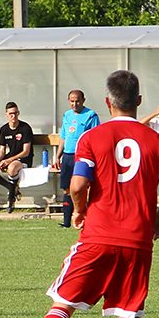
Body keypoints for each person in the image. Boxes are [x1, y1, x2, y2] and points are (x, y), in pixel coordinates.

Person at [8, 70, 159, 318]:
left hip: (98, 235)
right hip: (137, 241)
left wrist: (81, 209)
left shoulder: (93, 138)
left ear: (107, 102)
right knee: (129, 315)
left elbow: (78, 185)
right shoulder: (157, 142)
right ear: (139, 102)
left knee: (62, 305)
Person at [0, 102, 34, 213]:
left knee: (12, 168)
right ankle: (11, 187)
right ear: (6, 115)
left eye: (15, 113)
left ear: (18, 113)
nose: (13, 116)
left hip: (23, 159)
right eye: (11, 114)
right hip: (9, 158)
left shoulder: (25, 128)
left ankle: (10, 200)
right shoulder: (4, 129)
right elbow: (2, 150)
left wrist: (8, 160)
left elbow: (26, 152)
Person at [56, 90, 100, 227]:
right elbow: (63, 137)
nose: (74, 104)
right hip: (68, 156)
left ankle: (85, 218)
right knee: (66, 188)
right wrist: (58, 155)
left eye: (77, 101)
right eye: (72, 101)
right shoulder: (67, 115)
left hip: (82, 156)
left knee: (81, 187)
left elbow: (96, 138)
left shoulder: (91, 115)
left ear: (83, 100)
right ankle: (66, 221)